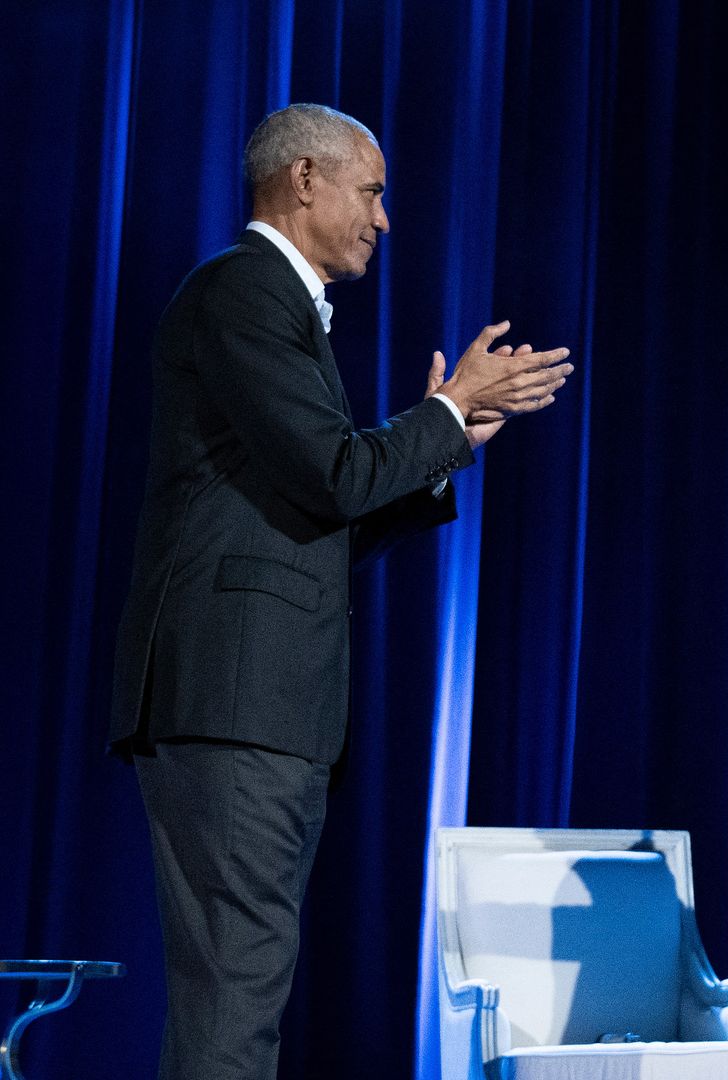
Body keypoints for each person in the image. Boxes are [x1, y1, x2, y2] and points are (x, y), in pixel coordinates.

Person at [108, 103, 572, 1080]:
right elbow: (332, 474)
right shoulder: (243, 292)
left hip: (261, 709)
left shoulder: (275, 307)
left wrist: (445, 454)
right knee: (235, 1001)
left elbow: (320, 519)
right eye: (373, 191)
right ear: (304, 179)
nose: (386, 217)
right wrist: (444, 413)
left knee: (236, 999)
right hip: (235, 706)